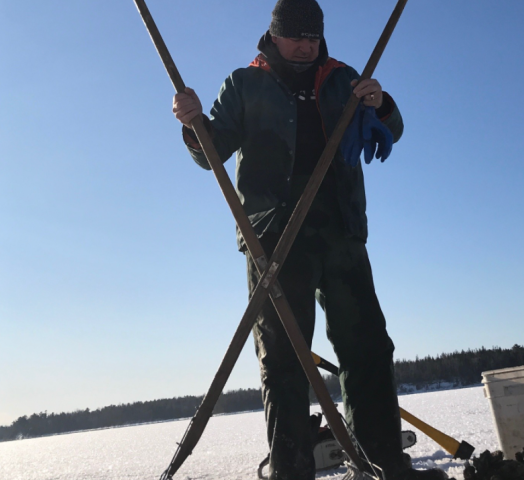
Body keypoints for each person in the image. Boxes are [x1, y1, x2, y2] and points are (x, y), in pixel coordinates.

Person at [173, 1, 445, 479]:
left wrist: (379, 104)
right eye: (295, 36)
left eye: (313, 37)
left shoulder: (343, 78)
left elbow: (391, 129)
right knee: (283, 359)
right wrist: (194, 125)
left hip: (340, 231)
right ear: (273, 35)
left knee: (367, 348)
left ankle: (384, 464)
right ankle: (291, 470)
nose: (305, 45)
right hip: (274, 239)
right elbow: (210, 153)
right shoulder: (244, 83)